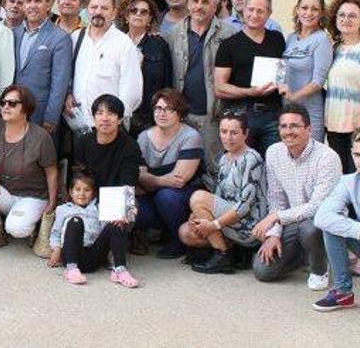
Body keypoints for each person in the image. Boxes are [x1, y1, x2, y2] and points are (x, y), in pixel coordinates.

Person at [251, 104, 341, 289]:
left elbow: (318, 205)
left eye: (294, 126)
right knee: (263, 271)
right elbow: (276, 198)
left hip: (325, 221)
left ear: (309, 129)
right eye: (283, 126)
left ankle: (319, 270)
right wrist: (274, 234)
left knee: (310, 228)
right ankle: (306, 255)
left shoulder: (327, 158)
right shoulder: (274, 152)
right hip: (292, 221)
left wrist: (277, 217)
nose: (288, 131)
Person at [165, 0, 236, 184]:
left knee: (215, 168)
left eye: (205, 2)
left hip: (213, 114)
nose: (199, 6)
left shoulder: (229, 34)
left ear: (215, 6)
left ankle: (216, 211)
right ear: (188, 4)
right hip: (180, 115)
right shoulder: (172, 34)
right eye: (195, 1)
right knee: (181, 170)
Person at [0, 85, 58, 251]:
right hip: (5, 194)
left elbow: (52, 173)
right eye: (3, 102)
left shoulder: (40, 137)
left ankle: (33, 225)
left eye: (12, 103)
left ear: (25, 108)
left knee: (17, 229)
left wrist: (52, 204)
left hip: (33, 196)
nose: (5, 107)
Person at [178, 112, 267, 274]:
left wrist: (213, 225)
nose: (228, 137)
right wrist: (198, 215)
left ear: (245, 134)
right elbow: (218, 197)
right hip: (228, 218)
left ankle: (222, 255)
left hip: (249, 225)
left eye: (234, 133)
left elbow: (243, 207)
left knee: (198, 196)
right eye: (223, 132)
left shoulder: (251, 159)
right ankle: (233, 251)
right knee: (186, 233)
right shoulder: (225, 158)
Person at [214, 0, 285, 157]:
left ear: (269, 13)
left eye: (260, 11)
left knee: (273, 166)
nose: (254, 15)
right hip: (241, 115)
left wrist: (282, 85)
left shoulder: (277, 39)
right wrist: (249, 92)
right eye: (250, 9)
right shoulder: (228, 45)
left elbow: (281, 72)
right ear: (243, 11)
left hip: (273, 114)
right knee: (241, 164)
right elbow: (219, 88)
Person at [136, 89, 204, 259]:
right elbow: (139, 176)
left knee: (166, 197)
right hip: (154, 193)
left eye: (168, 109)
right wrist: (162, 180)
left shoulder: (190, 136)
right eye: (158, 108)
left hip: (183, 196)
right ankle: (158, 232)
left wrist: (150, 181)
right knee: (134, 206)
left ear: (179, 113)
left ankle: (178, 240)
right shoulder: (143, 137)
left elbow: (180, 179)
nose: (162, 113)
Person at [66, 0, 141, 134]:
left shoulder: (123, 43)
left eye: (104, 8)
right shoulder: (76, 38)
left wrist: (115, 120)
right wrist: (68, 94)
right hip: (80, 126)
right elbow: (67, 74)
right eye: (94, 7)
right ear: (87, 10)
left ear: (114, 12)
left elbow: (132, 90)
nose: (98, 11)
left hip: (110, 128)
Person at [48, 170, 139, 287]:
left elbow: (108, 231)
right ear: (70, 192)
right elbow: (56, 233)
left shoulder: (100, 208)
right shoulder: (63, 209)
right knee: (75, 221)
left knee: (116, 224)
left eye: (87, 190)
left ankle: (120, 270)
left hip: (94, 256)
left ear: (94, 193)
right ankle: (71, 270)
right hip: (72, 254)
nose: (82, 194)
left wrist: (124, 217)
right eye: (77, 189)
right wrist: (56, 250)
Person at [312, 129, 360, 312]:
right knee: (331, 226)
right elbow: (322, 217)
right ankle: (343, 293)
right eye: (357, 154)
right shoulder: (348, 182)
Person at [13, 0, 71, 132]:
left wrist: (51, 116)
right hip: (13, 110)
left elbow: (60, 83)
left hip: (41, 113)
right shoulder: (14, 33)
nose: (32, 5)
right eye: (28, 1)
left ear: (48, 4)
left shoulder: (60, 37)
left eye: (38, 1)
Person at [116, 0, 172, 136]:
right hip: (119, 115)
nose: (138, 14)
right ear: (126, 16)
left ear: (150, 18)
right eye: (133, 10)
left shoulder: (159, 45)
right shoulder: (116, 43)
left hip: (150, 116)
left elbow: (168, 83)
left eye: (144, 12)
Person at [281, 0, 332, 142]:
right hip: (287, 112)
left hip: (309, 113)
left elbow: (318, 82)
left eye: (314, 9)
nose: (308, 13)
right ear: (297, 10)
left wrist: (293, 98)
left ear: (321, 13)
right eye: (304, 8)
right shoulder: (291, 38)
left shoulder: (322, 39)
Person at [73, 95, 142, 189]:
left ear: (120, 120)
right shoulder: (83, 143)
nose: (105, 118)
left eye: (111, 113)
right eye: (100, 113)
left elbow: (128, 182)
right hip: (88, 196)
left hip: (117, 196)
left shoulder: (130, 146)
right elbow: (79, 177)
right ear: (94, 118)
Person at [324, 0, 360, 174]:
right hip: (334, 125)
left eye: (352, 15)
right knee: (340, 180)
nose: (346, 19)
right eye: (342, 15)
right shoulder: (332, 49)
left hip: (357, 128)